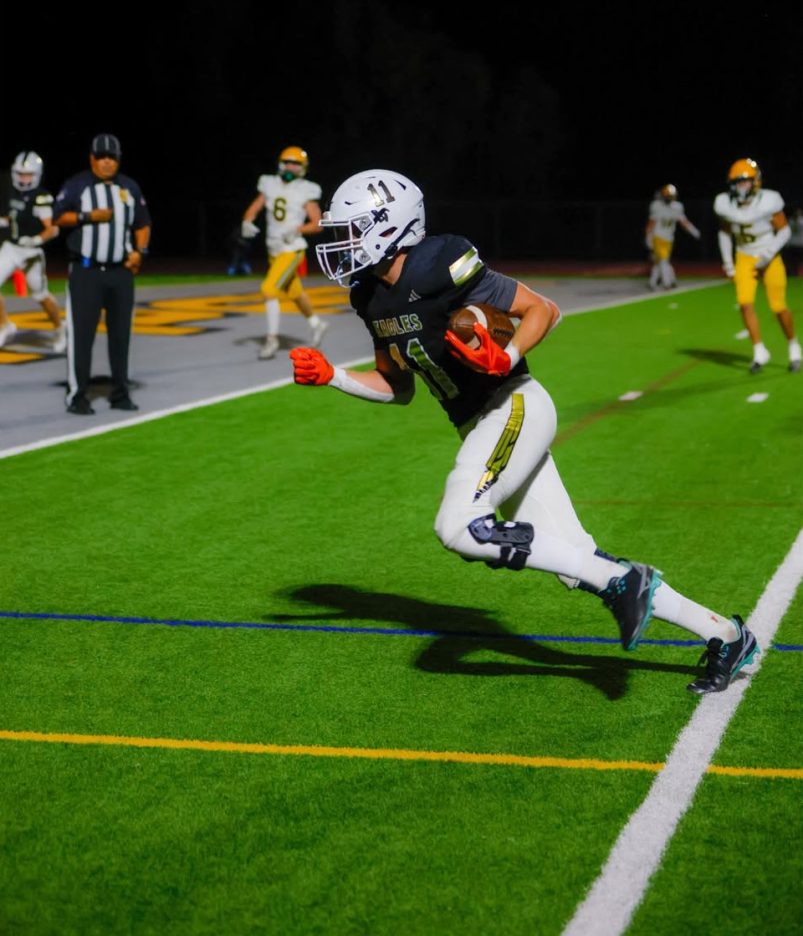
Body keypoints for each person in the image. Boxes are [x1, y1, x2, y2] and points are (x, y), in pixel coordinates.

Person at [289, 169, 758, 696]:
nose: (342, 244)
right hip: (479, 424)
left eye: (353, 230)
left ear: (389, 226)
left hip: (513, 403)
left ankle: (630, 583)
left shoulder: (441, 261)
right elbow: (398, 388)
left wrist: (504, 354)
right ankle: (727, 635)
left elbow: (543, 310)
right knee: (576, 563)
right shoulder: (369, 297)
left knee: (459, 526)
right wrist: (335, 377)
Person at [53, 133, 152, 414]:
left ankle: (120, 393)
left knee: (121, 336)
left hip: (120, 272)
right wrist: (87, 216)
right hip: (87, 272)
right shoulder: (78, 185)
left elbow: (143, 224)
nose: (107, 163)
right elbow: (57, 216)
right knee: (82, 337)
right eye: (102, 158)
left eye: (112, 158)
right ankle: (77, 395)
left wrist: (140, 252)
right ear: (92, 159)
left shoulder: (129, 187)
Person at [714, 158, 801, 374]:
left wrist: (769, 254)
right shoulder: (726, 204)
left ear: (756, 182)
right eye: (737, 182)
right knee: (744, 304)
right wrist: (728, 263)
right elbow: (725, 233)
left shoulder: (768, 201)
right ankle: (759, 350)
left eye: (744, 181)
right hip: (744, 256)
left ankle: (793, 346)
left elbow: (784, 231)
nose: (740, 187)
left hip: (768, 256)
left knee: (779, 307)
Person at [241, 145, 328, 359]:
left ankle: (272, 340)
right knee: (295, 292)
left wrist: (297, 229)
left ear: (302, 167)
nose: (290, 166)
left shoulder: (305, 190)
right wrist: (247, 220)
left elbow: (318, 224)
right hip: (274, 249)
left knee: (269, 289)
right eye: (287, 162)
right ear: (281, 163)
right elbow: (255, 207)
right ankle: (317, 323)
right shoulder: (269, 184)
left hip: (292, 248)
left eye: (295, 163)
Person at [0, 151, 66, 352]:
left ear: (37, 174)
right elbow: (13, 218)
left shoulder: (41, 197)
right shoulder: (12, 192)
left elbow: (52, 229)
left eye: (28, 174)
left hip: (32, 252)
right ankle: (5, 325)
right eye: (20, 173)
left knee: (40, 295)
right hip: (12, 247)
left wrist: (36, 239)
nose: (23, 178)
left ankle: (60, 329)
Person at [645, 183, 700, 291]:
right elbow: (651, 223)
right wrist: (648, 236)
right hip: (659, 237)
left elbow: (683, 222)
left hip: (668, 238)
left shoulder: (674, 207)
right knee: (663, 261)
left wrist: (693, 230)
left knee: (660, 261)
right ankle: (668, 282)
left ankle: (652, 282)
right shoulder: (660, 206)